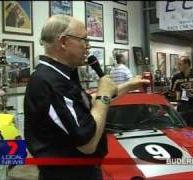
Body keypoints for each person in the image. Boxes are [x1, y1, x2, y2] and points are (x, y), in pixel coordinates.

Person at [23, 15, 149, 180]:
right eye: (84, 40)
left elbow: (88, 103)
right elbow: (87, 143)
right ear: (63, 42)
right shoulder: (50, 82)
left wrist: (129, 85)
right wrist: (104, 95)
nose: (88, 47)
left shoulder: (60, 75)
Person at [171, 57, 193, 129]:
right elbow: (172, 91)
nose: (178, 66)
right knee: (182, 129)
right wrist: (179, 95)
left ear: (186, 65)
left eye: (180, 64)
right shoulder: (176, 77)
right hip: (181, 106)